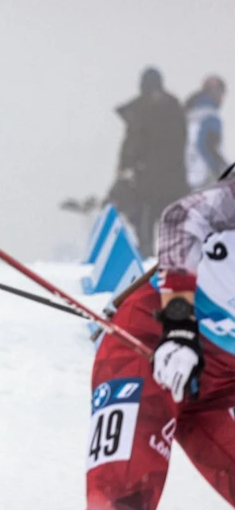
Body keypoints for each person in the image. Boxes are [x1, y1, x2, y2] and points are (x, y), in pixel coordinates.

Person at [86, 177, 235, 509]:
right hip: (151, 349)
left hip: (220, 386)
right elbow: (180, 218)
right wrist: (179, 326)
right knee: (123, 500)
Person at [112, 67, 189, 257]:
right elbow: (183, 142)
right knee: (173, 221)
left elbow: (133, 143)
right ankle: (174, 256)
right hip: (174, 178)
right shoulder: (175, 109)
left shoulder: (140, 111)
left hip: (147, 178)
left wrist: (125, 166)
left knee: (144, 218)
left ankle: (146, 251)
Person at [185, 75, 228, 191]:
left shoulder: (187, 114)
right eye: (221, 93)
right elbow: (209, 147)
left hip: (185, 176)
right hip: (205, 178)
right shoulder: (211, 116)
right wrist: (223, 169)